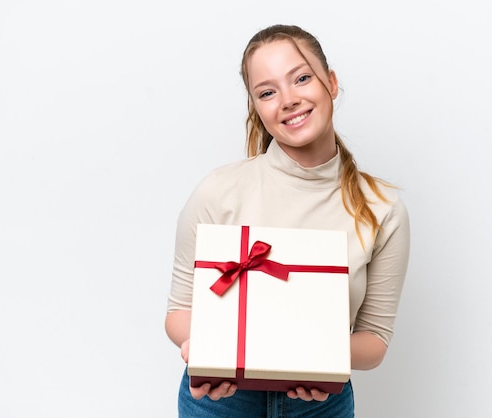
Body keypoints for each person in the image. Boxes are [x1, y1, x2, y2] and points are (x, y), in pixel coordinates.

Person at [165, 24, 410, 417]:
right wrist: (209, 349)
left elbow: (374, 341)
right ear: (256, 109)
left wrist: (310, 358)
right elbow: (179, 312)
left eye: (301, 78)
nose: (289, 99)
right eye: (267, 91)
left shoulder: (382, 208)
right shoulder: (218, 191)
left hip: (320, 406)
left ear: (330, 82)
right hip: (221, 401)